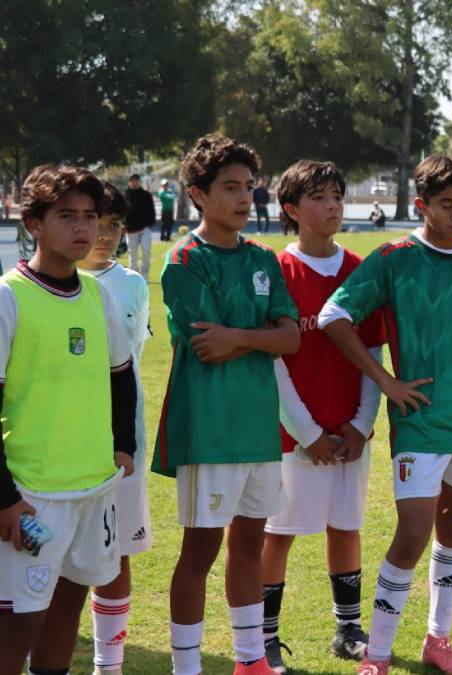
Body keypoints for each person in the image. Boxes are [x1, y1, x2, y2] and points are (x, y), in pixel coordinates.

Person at [320, 154, 452, 675]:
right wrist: (384, 381)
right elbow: (332, 315)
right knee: (412, 533)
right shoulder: (394, 258)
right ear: (423, 204)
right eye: (446, 205)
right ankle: (378, 655)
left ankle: (438, 641)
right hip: (420, 420)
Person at [155, 134, 300, 675]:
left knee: (249, 547)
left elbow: (292, 339)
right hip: (210, 429)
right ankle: (187, 667)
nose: (244, 198)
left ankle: (249, 661)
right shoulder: (184, 260)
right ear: (197, 192)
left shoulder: (264, 257)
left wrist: (241, 336)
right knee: (200, 553)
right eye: (229, 188)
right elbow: (207, 347)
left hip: (258, 428)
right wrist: (256, 334)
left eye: (248, 187)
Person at [0, 165, 137, 675]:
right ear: (34, 224)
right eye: (66, 216)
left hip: (93, 489)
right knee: (18, 626)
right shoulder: (9, 296)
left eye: (90, 216)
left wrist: (123, 446)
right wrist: (5, 497)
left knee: (66, 615)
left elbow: (121, 376)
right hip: (34, 497)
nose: (84, 228)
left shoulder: (98, 293)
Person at [260, 160, 385, 671]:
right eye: (319, 197)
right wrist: (307, 433)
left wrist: (360, 424)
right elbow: (273, 366)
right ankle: (265, 635)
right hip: (296, 435)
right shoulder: (275, 271)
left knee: (346, 525)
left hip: (350, 430)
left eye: (337, 194)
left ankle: (347, 628)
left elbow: (373, 353)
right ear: (291, 209)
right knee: (279, 532)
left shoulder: (360, 268)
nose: (333, 204)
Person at [76, 183, 153, 675]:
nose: (103, 235)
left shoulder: (133, 285)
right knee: (56, 558)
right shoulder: (25, 287)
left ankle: (111, 664)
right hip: (62, 447)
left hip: (124, 445)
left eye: (113, 225)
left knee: (118, 552)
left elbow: (131, 364)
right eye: (94, 222)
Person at [123, 173, 155, 277]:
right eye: (132, 180)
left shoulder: (146, 195)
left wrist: (149, 225)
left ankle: (145, 274)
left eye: (137, 180)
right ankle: (133, 276)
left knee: (146, 250)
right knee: (133, 255)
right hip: (130, 230)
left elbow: (151, 211)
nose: (135, 182)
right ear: (129, 182)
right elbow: (120, 213)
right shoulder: (123, 196)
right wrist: (122, 225)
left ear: (140, 181)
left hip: (145, 228)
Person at [159, 178, 178, 242]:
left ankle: (168, 237)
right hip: (164, 211)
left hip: (170, 211)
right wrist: (172, 195)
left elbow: (174, 196)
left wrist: (172, 194)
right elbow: (169, 196)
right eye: (164, 184)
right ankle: (162, 238)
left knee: (170, 224)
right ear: (162, 185)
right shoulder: (161, 191)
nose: (166, 185)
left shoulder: (170, 191)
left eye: (166, 184)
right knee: (164, 224)